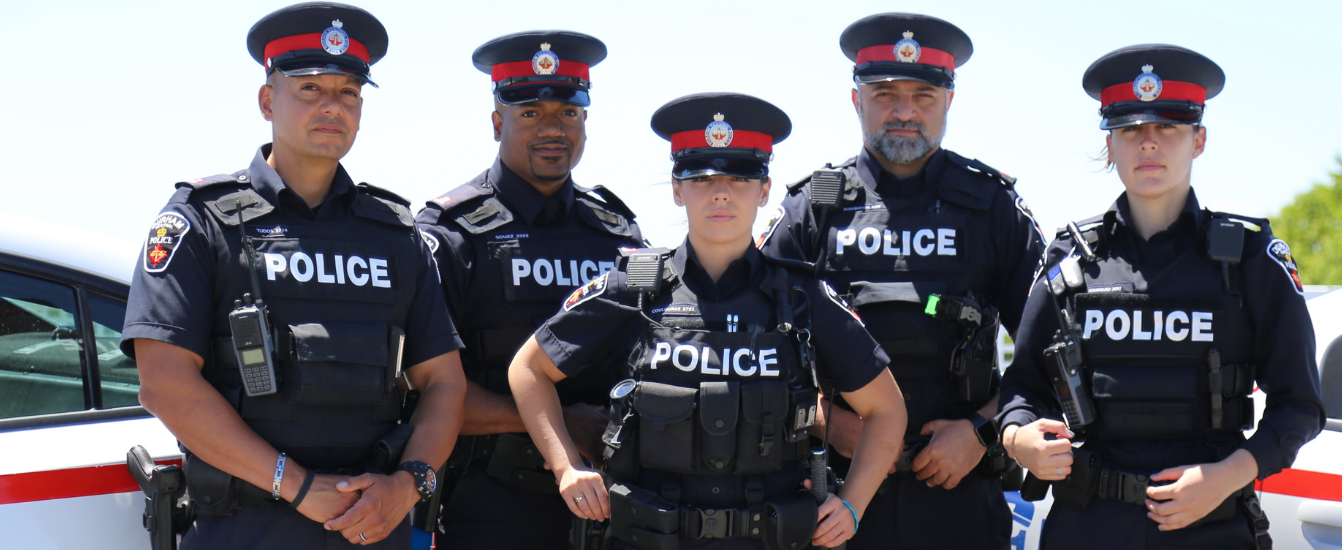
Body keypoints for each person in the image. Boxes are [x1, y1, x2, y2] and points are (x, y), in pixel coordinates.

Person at [121, 3, 466, 548]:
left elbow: (445, 382)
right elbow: (164, 384)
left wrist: (409, 484)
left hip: (374, 527)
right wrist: (298, 486)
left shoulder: (396, 235)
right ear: (267, 101)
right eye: (310, 88)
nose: (333, 106)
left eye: (348, 91)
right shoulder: (201, 220)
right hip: (246, 528)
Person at [508, 92, 908, 550]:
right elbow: (529, 369)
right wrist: (566, 468)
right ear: (678, 191)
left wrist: (852, 505)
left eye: (739, 177)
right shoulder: (636, 288)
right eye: (701, 177)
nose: (720, 192)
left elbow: (887, 409)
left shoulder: (802, 298)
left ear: (764, 190)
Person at [997, 44, 1325, 549]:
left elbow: (1299, 406)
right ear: (1110, 145)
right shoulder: (1071, 259)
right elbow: (1022, 390)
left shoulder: (1250, 258)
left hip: (1210, 528)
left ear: (1199, 140)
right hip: (1089, 527)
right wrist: (1020, 441)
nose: (1148, 144)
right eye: (1130, 130)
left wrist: (1229, 475)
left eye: (1168, 127)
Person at [756, 13, 1046, 550]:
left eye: (924, 95)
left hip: (961, 502)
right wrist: (825, 420)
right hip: (833, 502)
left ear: (950, 101)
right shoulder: (810, 212)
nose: (905, 111)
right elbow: (748, 348)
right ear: (855, 99)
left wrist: (982, 432)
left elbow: (1049, 351)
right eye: (885, 93)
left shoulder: (994, 210)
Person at [415, 30, 645, 550]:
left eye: (568, 113)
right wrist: (560, 426)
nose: (552, 129)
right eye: (531, 113)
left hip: (613, 503)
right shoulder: (451, 234)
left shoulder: (618, 234)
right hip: (492, 504)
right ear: (498, 122)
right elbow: (423, 389)